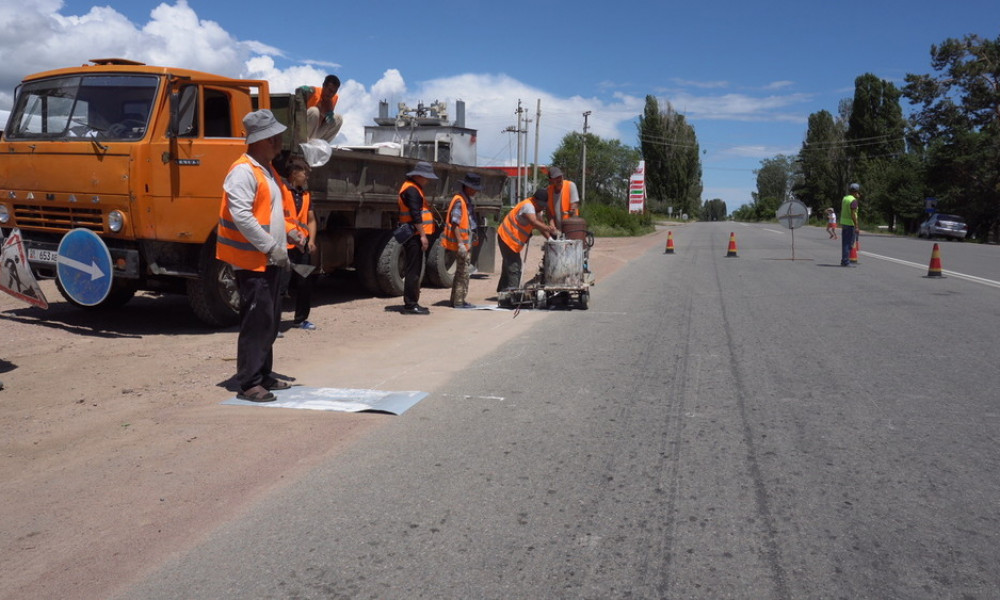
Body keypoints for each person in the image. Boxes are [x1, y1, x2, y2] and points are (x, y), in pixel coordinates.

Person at [217, 109, 292, 402]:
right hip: (252, 260)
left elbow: (270, 213)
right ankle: (249, 382)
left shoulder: (266, 170)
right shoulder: (243, 171)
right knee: (256, 320)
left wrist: (289, 234)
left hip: (267, 259)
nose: (281, 141)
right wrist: (271, 246)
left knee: (269, 320)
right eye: (277, 137)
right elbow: (242, 217)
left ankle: (262, 374)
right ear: (265, 140)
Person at [280, 157, 319, 330]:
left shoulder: (306, 195)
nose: (306, 177)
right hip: (283, 246)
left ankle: (301, 319)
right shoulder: (280, 191)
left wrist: (311, 241)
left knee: (304, 283)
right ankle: (273, 324)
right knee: (280, 285)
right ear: (294, 173)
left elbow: (311, 220)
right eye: (304, 173)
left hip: (302, 247)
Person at [497, 188, 557, 293]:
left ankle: (502, 292)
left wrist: (550, 238)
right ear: (535, 200)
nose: (542, 207)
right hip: (507, 238)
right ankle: (513, 294)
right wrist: (548, 228)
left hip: (510, 241)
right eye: (541, 205)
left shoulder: (536, 209)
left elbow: (540, 225)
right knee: (514, 267)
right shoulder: (528, 206)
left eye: (544, 205)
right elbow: (534, 222)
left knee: (508, 267)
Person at [397, 161, 437, 315]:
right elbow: (415, 215)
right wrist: (422, 236)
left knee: (414, 269)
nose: (427, 181)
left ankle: (413, 302)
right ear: (419, 176)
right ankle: (410, 305)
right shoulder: (412, 190)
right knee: (413, 270)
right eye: (426, 177)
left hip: (413, 234)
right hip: (414, 235)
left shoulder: (412, 188)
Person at [442, 173, 482, 308]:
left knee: (461, 272)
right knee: (463, 273)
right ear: (468, 187)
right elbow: (455, 224)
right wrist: (460, 244)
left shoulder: (465, 200)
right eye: (474, 188)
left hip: (465, 243)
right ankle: (459, 302)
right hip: (461, 245)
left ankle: (456, 300)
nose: (476, 191)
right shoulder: (460, 201)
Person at [300, 75, 343, 143]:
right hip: (301, 132)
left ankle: (319, 145)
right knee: (314, 111)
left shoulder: (332, 100)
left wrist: (328, 116)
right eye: (329, 90)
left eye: (334, 92)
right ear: (323, 86)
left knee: (338, 119)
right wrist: (303, 90)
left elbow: (324, 122)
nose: (331, 94)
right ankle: (304, 143)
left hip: (314, 135)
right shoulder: (314, 92)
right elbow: (300, 92)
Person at [545, 166, 580, 234]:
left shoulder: (570, 185)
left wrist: (571, 227)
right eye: (556, 177)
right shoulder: (548, 190)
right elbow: (548, 211)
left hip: (570, 227)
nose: (559, 179)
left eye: (560, 176)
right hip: (557, 229)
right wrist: (552, 224)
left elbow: (574, 204)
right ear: (551, 180)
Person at [840, 183, 861, 266]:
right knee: (849, 243)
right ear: (856, 192)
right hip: (850, 224)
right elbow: (853, 214)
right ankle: (846, 261)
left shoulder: (845, 198)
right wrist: (856, 225)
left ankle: (844, 260)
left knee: (845, 243)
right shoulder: (853, 200)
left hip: (844, 223)